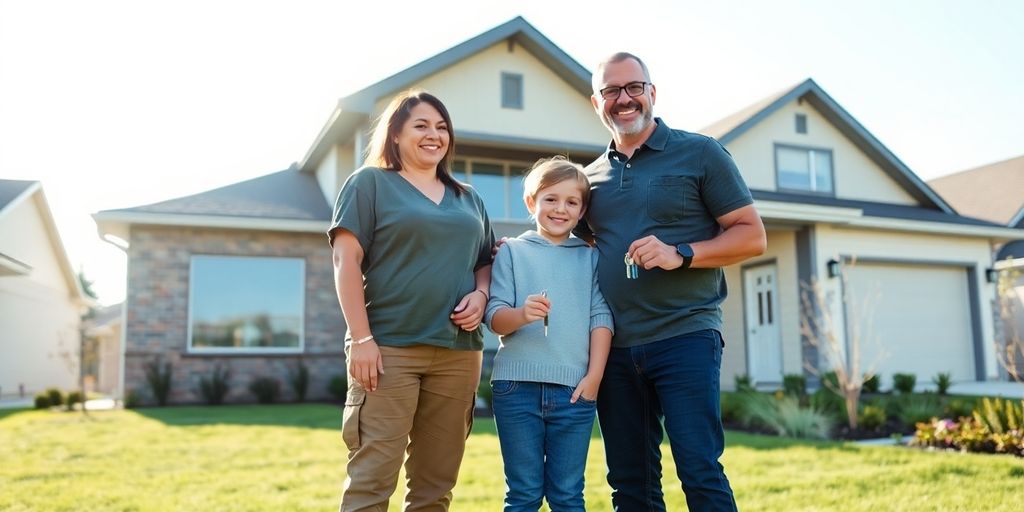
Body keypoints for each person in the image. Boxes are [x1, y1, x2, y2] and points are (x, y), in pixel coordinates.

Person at [576, 53, 767, 511]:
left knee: (699, 470)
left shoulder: (700, 152)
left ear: (652, 93)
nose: (624, 99)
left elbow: (752, 236)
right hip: (616, 350)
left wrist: (680, 253)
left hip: (685, 337)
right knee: (631, 484)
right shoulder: (587, 180)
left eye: (633, 87)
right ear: (596, 102)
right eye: (611, 91)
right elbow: (572, 247)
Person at [328, 89, 494, 512]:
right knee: (371, 481)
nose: (433, 135)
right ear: (396, 134)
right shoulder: (369, 183)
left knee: (435, 487)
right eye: (421, 125)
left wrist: (481, 293)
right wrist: (361, 340)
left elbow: (484, 260)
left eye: (441, 127)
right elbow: (346, 261)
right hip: (388, 350)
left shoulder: (469, 197)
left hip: (458, 354)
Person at [485, 156, 613, 512]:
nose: (560, 209)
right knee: (523, 495)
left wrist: (595, 376)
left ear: (582, 209)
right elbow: (494, 317)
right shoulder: (511, 251)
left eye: (572, 202)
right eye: (551, 199)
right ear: (532, 203)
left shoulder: (590, 258)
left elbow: (600, 316)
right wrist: (522, 314)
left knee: (568, 496)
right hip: (516, 389)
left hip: (574, 392)